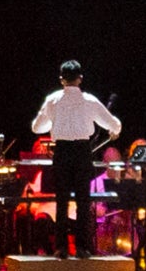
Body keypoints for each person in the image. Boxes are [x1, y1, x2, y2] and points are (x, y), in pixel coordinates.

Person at [31, 61, 120, 258]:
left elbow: (37, 128)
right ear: (80, 78)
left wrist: (55, 121)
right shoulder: (89, 100)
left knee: (62, 201)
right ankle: (82, 247)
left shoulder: (52, 100)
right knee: (83, 201)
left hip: (62, 151)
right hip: (81, 151)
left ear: (61, 79)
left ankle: (61, 248)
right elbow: (112, 123)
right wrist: (115, 130)